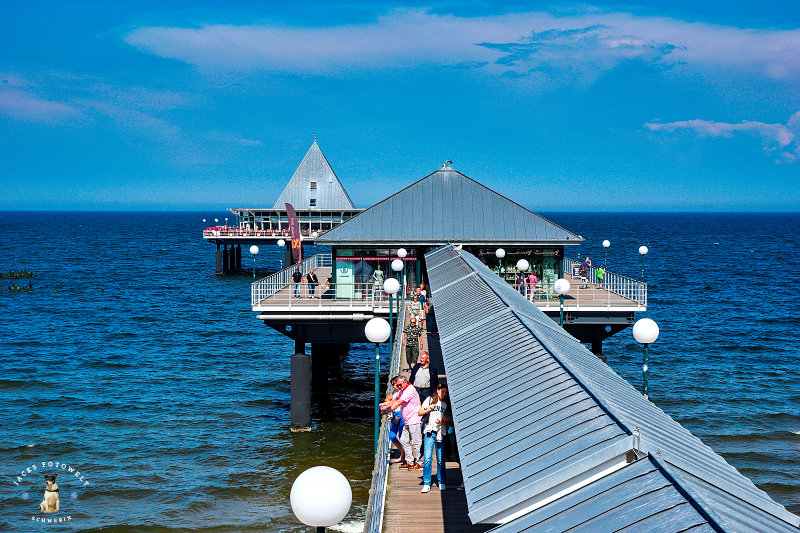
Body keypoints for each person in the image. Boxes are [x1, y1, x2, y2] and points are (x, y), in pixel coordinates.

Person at [380, 376, 422, 469]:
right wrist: (385, 405)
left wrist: (386, 411)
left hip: (414, 419)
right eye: (397, 385)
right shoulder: (403, 389)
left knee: (416, 442)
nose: (399, 387)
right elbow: (394, 400)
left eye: (400, 385)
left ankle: (419, 462)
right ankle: (410, 461)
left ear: (405, 382)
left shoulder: (409, 390)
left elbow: (398, 402)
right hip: (407, 419)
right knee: (403, 440)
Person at [419, 382, 449, 492]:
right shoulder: (429, 400)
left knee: (441, 459)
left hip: (441, 432)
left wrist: (443, 421)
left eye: (446, 392)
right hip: (429, 431)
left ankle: (441, 481)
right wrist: (429, 409)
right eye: (442, 391)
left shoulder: (447, 404)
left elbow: (449, 420)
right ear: (438, 390)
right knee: (427, 458)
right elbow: (420, 412)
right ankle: (427, 483)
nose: (444, 394)